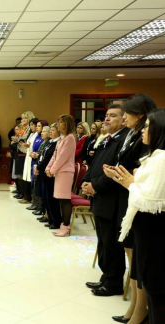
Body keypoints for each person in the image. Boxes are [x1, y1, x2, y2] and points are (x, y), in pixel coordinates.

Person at [102, 94, 156, 324]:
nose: (124, 117)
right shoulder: (134, 135)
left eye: (128, 113)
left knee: (138, 259)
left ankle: (140, 309)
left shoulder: (147, 141)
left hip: (138, 199)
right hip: (129, 196)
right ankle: (135, 305)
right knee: (131, 255)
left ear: (141, 115)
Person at [111, 109, 165, 324]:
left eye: (147, 125)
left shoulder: (161, 159)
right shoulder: (154, 156)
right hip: (146, 230)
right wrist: (134, 182)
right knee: (150, 286)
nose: (143, 129)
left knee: (157, 291)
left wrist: (132, 185)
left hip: (155, 232)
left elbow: (152, 203)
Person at [81, 104, 130, 297]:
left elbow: (116, 170)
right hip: (99, 197)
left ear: (123, 119)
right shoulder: (108, 139)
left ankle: (113, 282)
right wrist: (86, 183)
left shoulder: (123, 140)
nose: (107, 119)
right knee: (103, 241)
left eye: (113, 115)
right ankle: (105, 277)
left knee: (110, 243)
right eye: (106, 115)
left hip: (110, 198)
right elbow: (95, 166)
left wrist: (96, 186)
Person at [45, 114, 76, 237]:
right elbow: (55, 155)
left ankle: (66, 226)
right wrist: (48, 168)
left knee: (64, 200)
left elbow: (63, 157)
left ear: (67, 124)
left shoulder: (70, 138)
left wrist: (52, 170)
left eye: (61, 122)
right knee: (60, 199)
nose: (58, 125)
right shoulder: (61, 138)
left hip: (66, 172)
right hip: (59, 171)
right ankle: (63, 224)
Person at [37, 123, 61, 229]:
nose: (50, 132)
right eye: (50, 130)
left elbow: (49, 158)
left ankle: (55, 221)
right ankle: (50, 219)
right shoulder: (50, 143)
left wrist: (39, 167)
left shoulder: (57, 143)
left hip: (50, 173)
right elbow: (43, 155)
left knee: (51, 199)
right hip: (44, 172)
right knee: (46, 197)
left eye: (53, 130)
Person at [14, 111, 35, 199]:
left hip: (26, 152)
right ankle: (21, 192)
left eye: (25, 118)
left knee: (24, 174)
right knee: (20, 174)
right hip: (20, 152)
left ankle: (25, 194)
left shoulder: (29, 129)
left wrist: (18, 140)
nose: (23, 120)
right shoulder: (23, 128)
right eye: (22, 118)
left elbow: (24, 140)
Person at [27, 120, 48, 212]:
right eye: (38, 126)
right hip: (35, 161)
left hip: (41, 164)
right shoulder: (37, 137)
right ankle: (34, 203)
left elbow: (44, 153)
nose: (38, 128)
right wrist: (33, 154)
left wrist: (37, 155)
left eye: (40, 126)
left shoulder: (45, 140)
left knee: (39, 184)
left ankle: (40, 206)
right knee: (35, 183)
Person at [20, 116, 39, 204]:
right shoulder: (31, 134)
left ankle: (30, 197)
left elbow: (35, 146)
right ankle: (26, 195)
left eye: (32, 125)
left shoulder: (38, 135)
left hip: (33, 158)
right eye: (30, 125)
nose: (31, 127)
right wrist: (26, 145)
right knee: (26, 176)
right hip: (28, 156)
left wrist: (29, 146)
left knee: (30, 177)